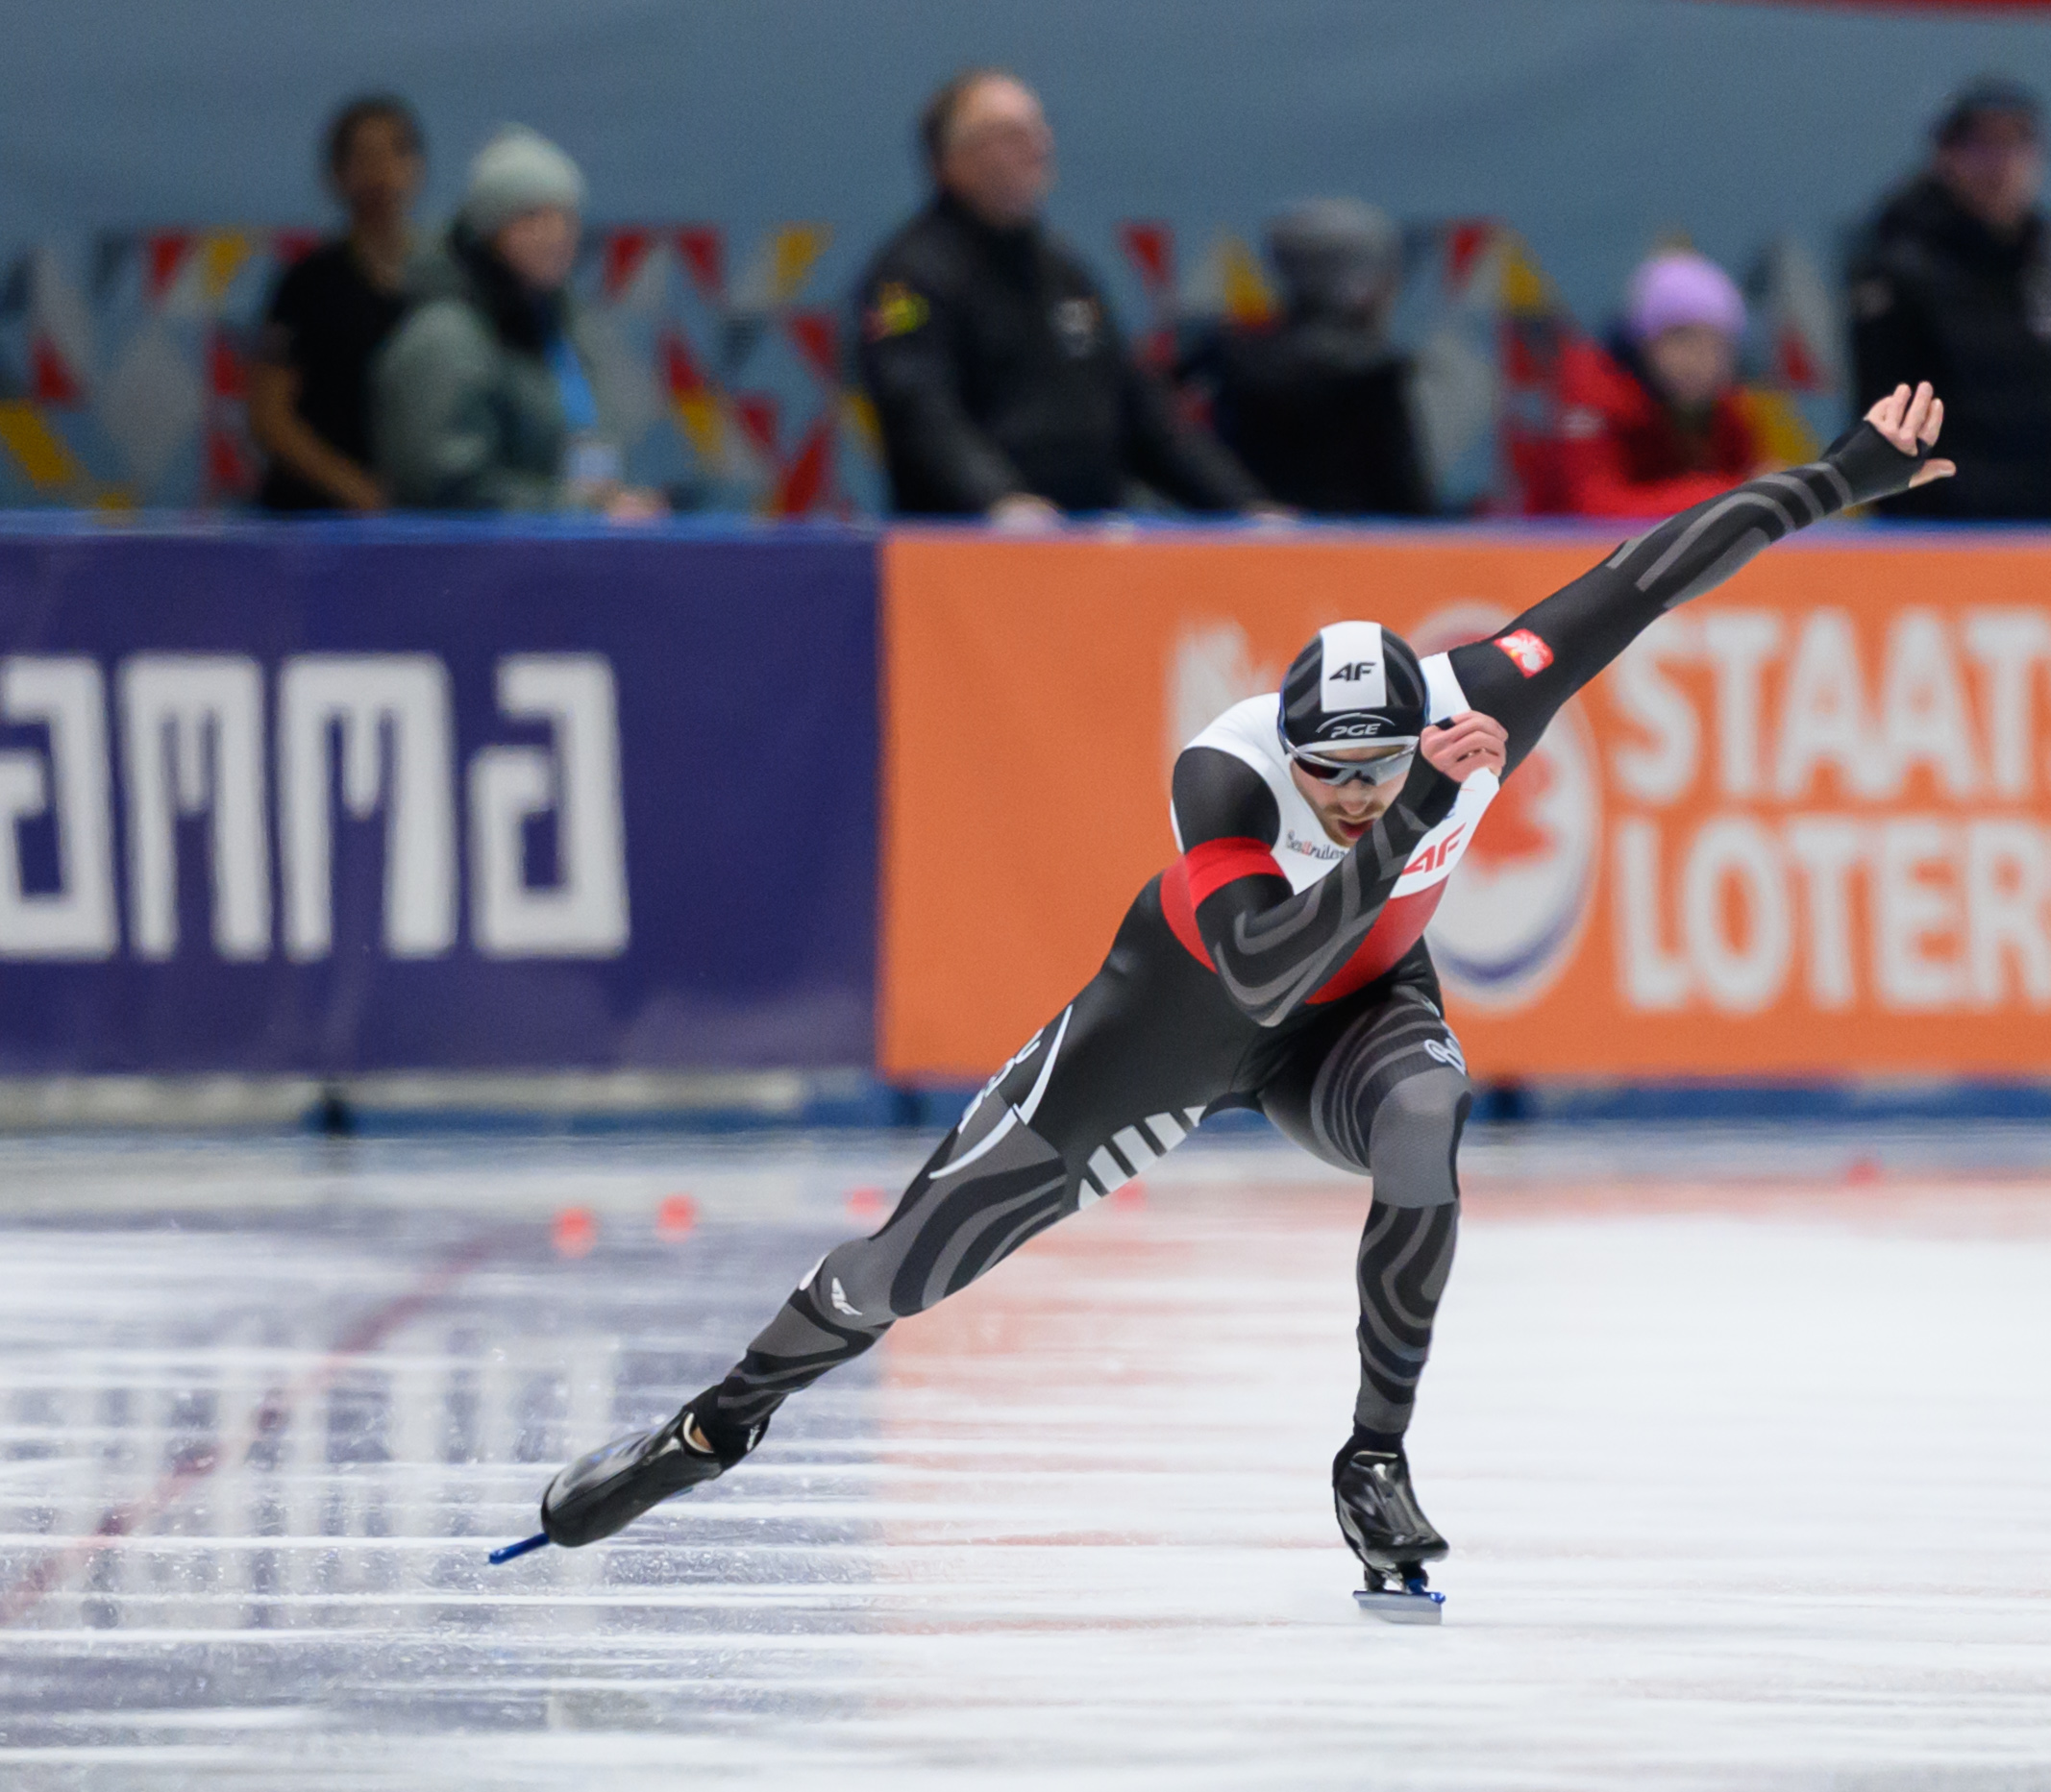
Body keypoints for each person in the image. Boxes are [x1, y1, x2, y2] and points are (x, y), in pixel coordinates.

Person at [517, 382, 1957, 1611]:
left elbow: (1645, 574)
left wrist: (1844, 473)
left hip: (1360, 1005)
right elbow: (1263, 963)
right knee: (901, 1270)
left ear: (1416, 726)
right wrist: (1407, 823)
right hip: (1176, 1023)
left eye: (1374, 770)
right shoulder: (1226, 774)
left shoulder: (1483, 701)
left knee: (1428, 1110)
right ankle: (717, 1421)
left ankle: (1374, 1457)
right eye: (1325, 773)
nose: (1347, 794)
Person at [854, 68, 1267, 526]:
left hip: (1087, 549)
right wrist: (1002, 502)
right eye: (1009, 134)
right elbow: (917, 408)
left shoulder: (1067, 275)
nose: (1037, 147)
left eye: (1039, 129)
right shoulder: (904, 281)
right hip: (967, 553)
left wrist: (1246, 512)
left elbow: (1144, 416)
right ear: (949, 161)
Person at [371, 126, 661, 517]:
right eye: (531, 217)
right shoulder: (444, 337)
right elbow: (448, 490)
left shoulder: (563, 331)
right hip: (466, 572)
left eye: (565, 217)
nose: (554, 234)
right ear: (489, 232)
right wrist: (581, 510)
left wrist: (604, 504)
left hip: (548, 564)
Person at [1847, 77, 2051, 521]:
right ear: (1946, 157)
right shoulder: (1899, 271)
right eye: (1982, 146)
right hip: (1939, 538)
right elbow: (1888, 429)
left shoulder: (2045, 266)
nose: (2000, 165)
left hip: (2046, 532)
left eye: (2017, 146)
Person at [1187, 198, 1433, 517]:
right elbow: (1409, 500)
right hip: (1360, 554)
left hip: (1250, 548)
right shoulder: (1374, 376)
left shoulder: (1230, 358)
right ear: (1356, 281)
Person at [249, 95, 425, 513]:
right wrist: (353, 487)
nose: (382, 173)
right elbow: (269, 417)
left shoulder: (446, 282)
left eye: (395, 154)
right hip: (312, 517)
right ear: (336, 175)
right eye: (365, 157)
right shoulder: (307, 283)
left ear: (417, 167)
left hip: (416, 517)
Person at [1546, 250, 1766, 519]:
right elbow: (1594, 508)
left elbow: (1744, 491)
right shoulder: (1592, 389)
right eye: (1682, 338)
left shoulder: (1726, 408)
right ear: (1644, 340)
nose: (1701, 360)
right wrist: (1732, 495)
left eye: (1718, 346)